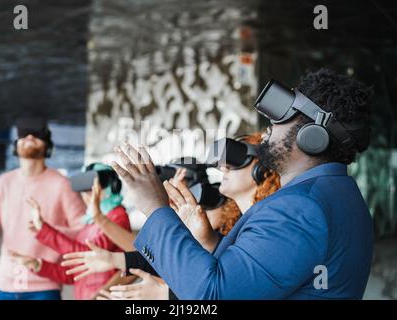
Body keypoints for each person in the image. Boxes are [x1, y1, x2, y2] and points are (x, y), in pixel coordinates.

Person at [63, 68, 374, 299]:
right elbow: (255, 278)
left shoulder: (300, 209)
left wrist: (154, 207)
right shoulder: (339, 195)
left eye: (283, 114)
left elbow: (214, 296)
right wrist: (209, 241)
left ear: (313, 135)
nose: (270, 126)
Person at [64, 134, 281, 300]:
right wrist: (115, 260)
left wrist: (165, 294)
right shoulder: (244, 223)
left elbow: (226, 289)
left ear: (263, 171)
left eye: (237, 159)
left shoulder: (265, 225)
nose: (223, 167)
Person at [0, 117, 86, 300]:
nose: (30, 137)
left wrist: (47, 231)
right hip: (6, 284)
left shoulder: (62, 185)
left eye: (37, 135)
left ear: (48, 145)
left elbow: (83, 232)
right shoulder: (4, 182)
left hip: (45, 285)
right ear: (15, 144)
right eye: (23, 134)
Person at [10, 163, 133, 300]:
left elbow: (86, 254)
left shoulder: (117, 216)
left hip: (105, 296)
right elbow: (76, 271)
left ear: (113, 186)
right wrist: (38, 265)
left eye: (94, 187)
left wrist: (44, 231)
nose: (87, 194)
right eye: (85, 189)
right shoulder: (90, 220)